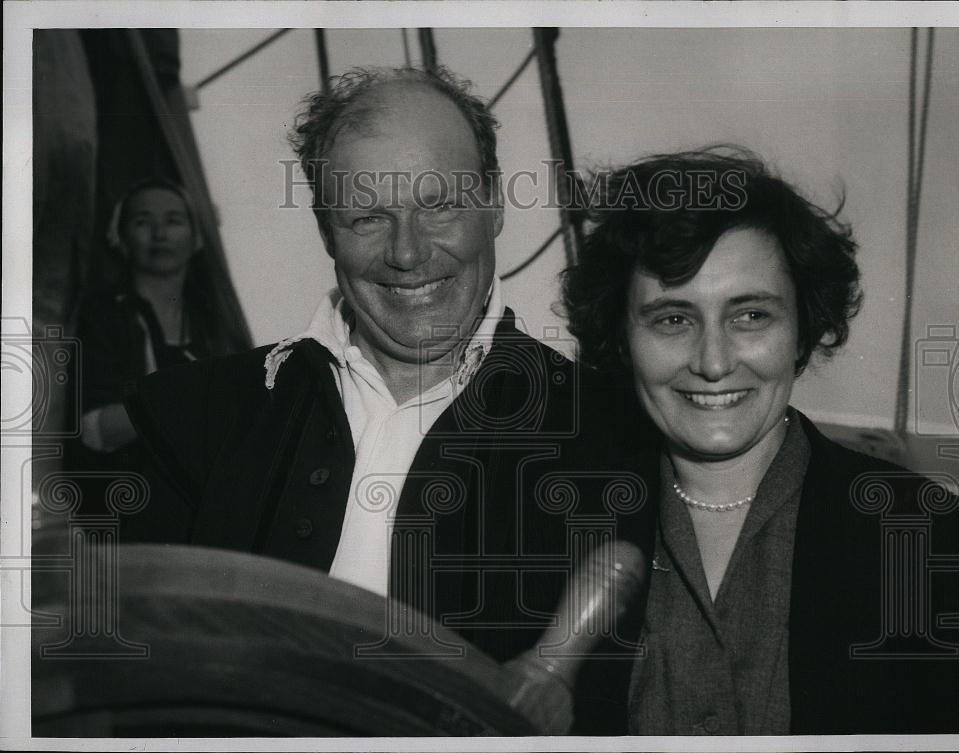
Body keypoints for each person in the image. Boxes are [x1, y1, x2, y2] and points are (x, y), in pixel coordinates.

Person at [120, 65, 651, 723]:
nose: (407, 252)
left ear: (495, 205)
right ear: (324, 229)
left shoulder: (611, 433)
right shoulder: (195, 416)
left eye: (440, 205)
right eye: (367, 216)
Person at [561, 146, 959, 743]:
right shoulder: (546, 528)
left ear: (803, 328)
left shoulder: (927, 541)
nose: (713, 363)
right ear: (621, 336)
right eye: (672, 319)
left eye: (750, 317)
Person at [69, 178, 243, 487]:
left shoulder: (215, 319)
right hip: (127, 498)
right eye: (142, 221)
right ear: (119, 236)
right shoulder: (101, 316)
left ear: (197, 237)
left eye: (174, 221)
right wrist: (192, 398)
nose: (160, 234)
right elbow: (94, 431)